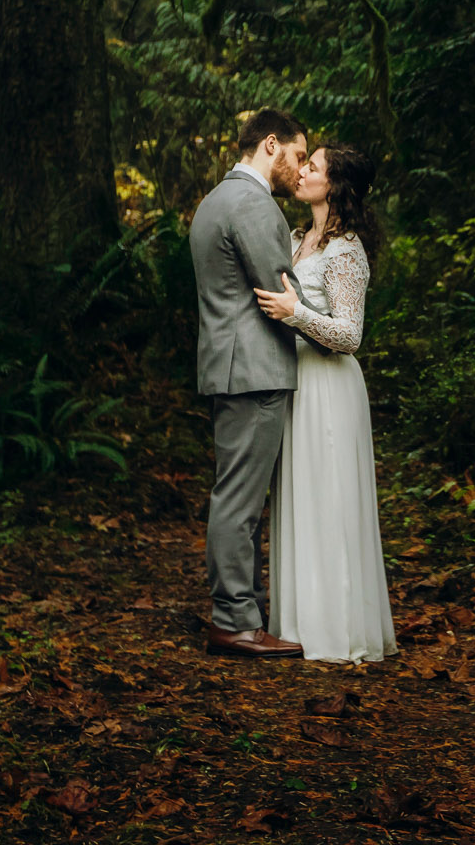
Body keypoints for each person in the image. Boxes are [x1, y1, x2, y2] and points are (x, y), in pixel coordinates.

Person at [253, 142, 398, 664]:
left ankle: (336, 631)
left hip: (331, 387)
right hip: (295, 382)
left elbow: (350, 334)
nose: (302, 170)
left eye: (312, 166)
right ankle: (297, 624)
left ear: (334, 186)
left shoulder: (346, 251)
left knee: (329, 502)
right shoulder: (297, 239)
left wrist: (294, 313)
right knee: (299, 498)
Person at [189, 107, 311, 659]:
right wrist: (327, 318)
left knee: (235, 495)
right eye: (299, 155)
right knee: (239, 501)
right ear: (270, 145)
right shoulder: (254, 204)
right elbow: (281, 291)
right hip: (255, 370)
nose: (301, 168)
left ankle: (244, 610)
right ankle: (234, 619)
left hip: (230, 365)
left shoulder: (215, 201)